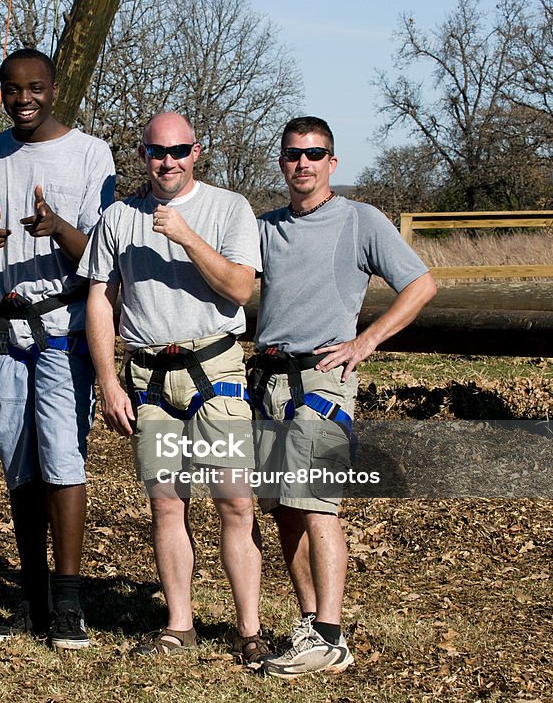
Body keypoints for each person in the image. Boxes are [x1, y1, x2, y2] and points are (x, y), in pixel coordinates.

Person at [250, 116, 436, 677]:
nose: (302, 164)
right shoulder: (265, 226)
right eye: (292, 155)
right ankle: (312, 626)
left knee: (316, 503)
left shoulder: (360, 220)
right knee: (282, 508)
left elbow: (421, 284)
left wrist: (366, 340)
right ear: (281, 162)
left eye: (315, 154)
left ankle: (330, 632)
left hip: (324, 380)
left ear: (333, 161)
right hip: (268, 380)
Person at [81, 112, 267, 661]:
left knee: (235, 503)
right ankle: (178, 625)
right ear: (143, 155)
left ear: (196, 151)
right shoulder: (118, 218)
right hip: (148, 381)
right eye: (157, 152)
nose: (168, 161)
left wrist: (187, 236)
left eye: (179, 150)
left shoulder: (230, 209)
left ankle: (250, 630)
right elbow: (99, 300)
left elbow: (239, 288)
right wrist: (108, 380)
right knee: (167, 505)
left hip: (217, 374)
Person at [0, 48, 116, 649]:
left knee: (62, 461)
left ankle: (70, 604)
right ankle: (34, 601)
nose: (24, 99)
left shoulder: (91, 154)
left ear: (54, 88)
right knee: (19, 465)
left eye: (36, 87)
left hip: (61, 330)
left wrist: (59, 229)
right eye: (12, 88)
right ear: (1, 92)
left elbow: (103, 256)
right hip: (0, 331)